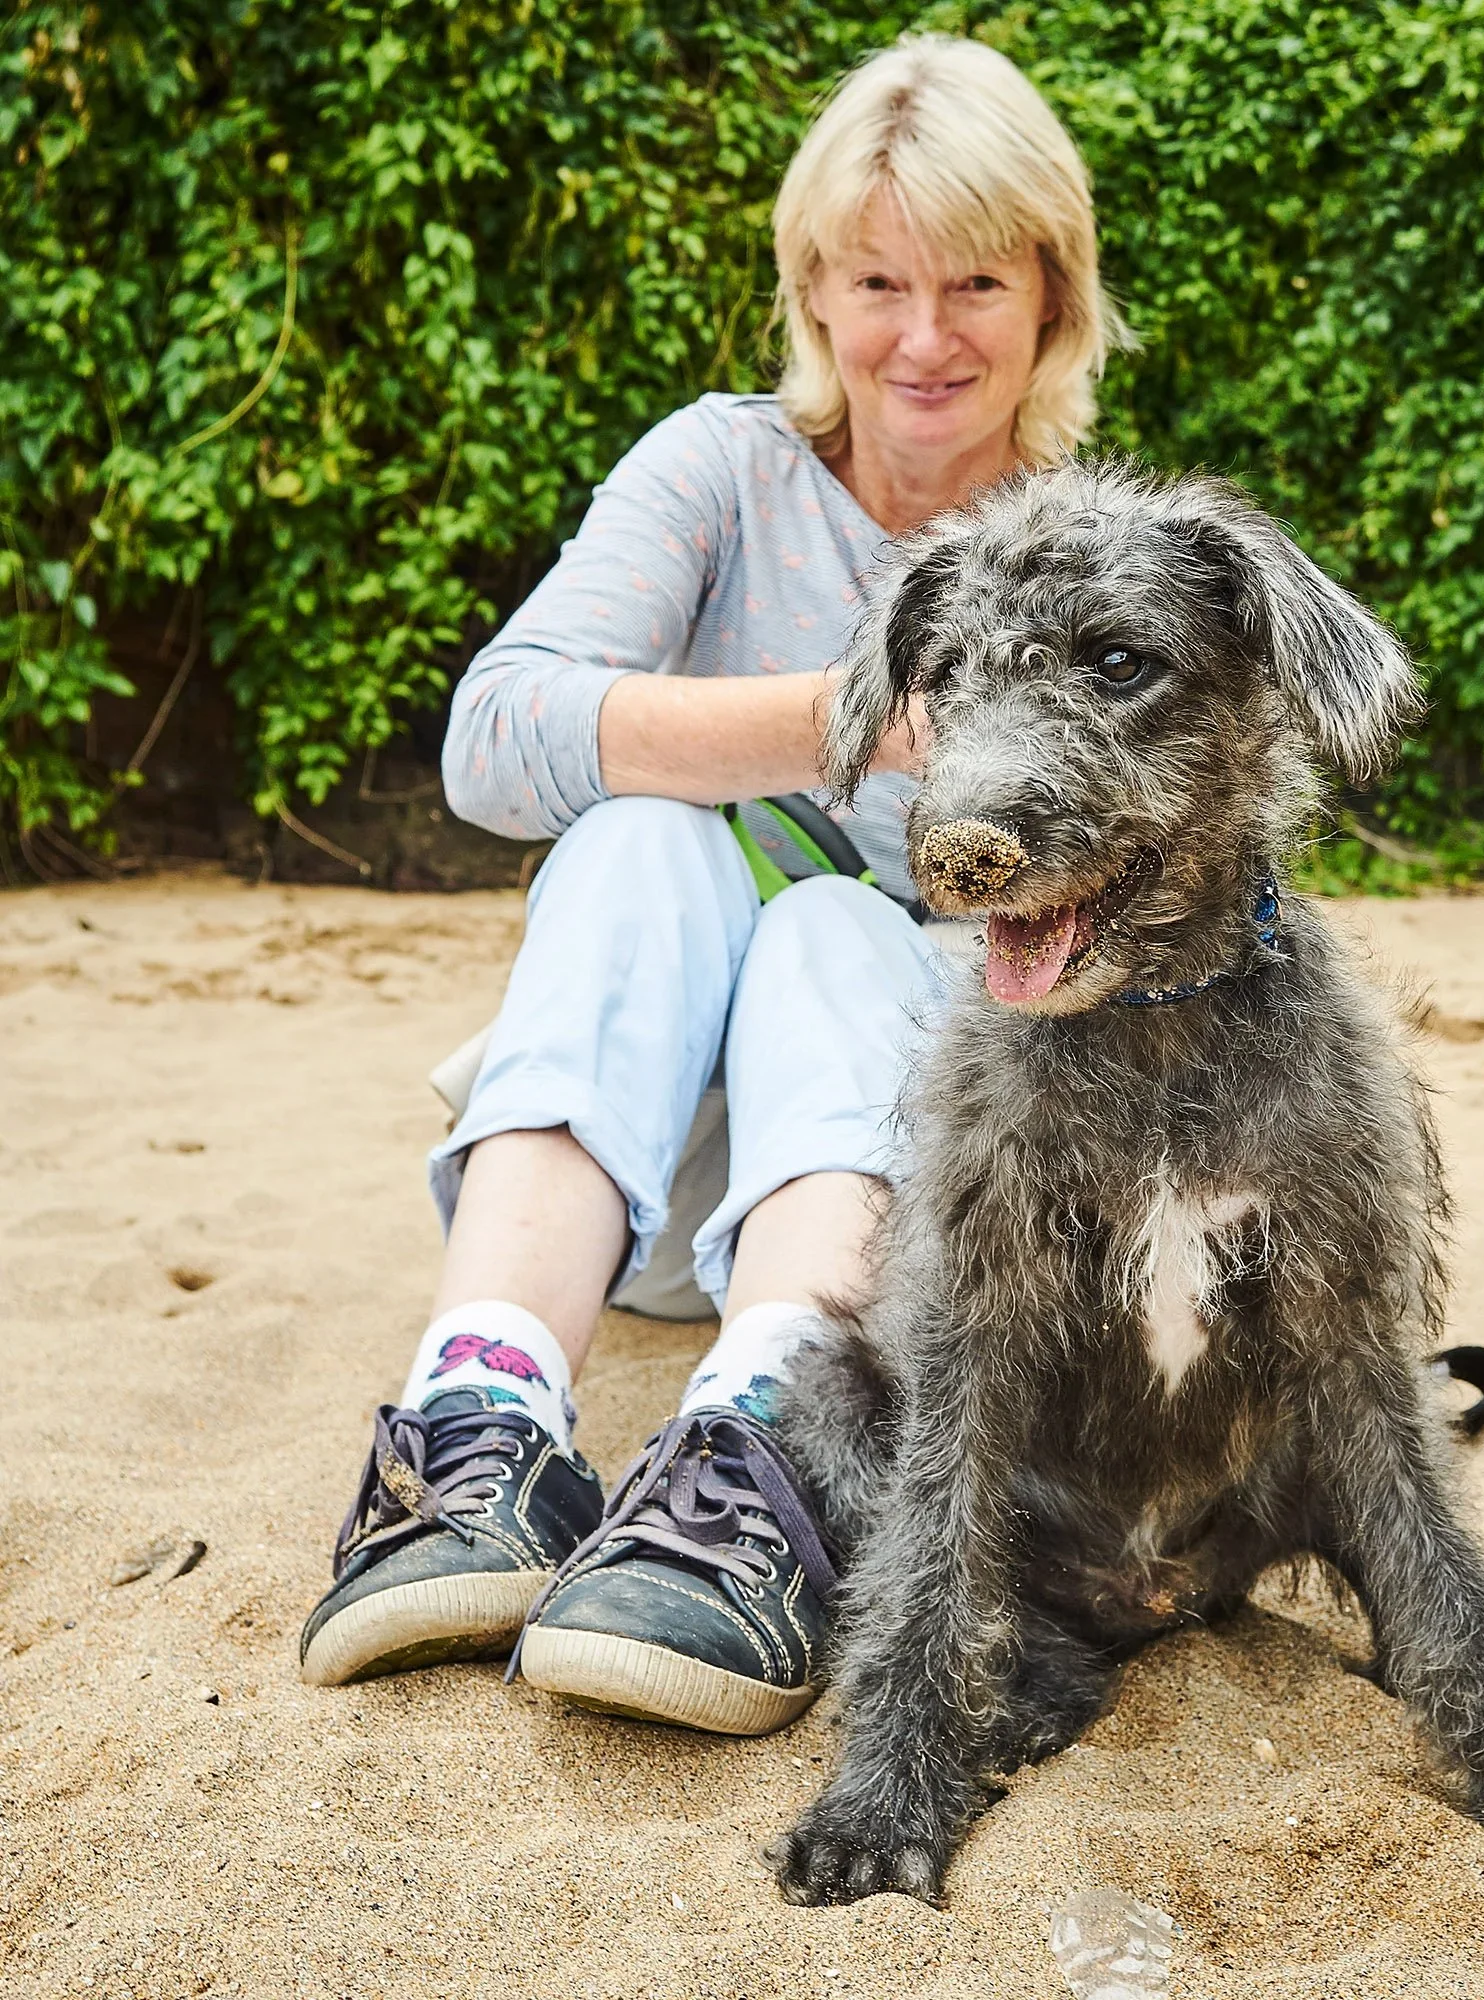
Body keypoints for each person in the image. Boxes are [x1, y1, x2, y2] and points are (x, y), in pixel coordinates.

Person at [297, 36, 1125, 1734]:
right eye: (876, 278)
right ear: (811, 288)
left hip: (923, 1191)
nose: (921, 334)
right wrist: (855, 722)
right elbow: (496, 737)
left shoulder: (1091, 555)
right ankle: (480, 1428)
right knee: (638, 828)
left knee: (837, 922)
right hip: (652, 1185)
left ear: (1053, 296)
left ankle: (764, 1450)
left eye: (976, 279)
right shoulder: (721, 471)